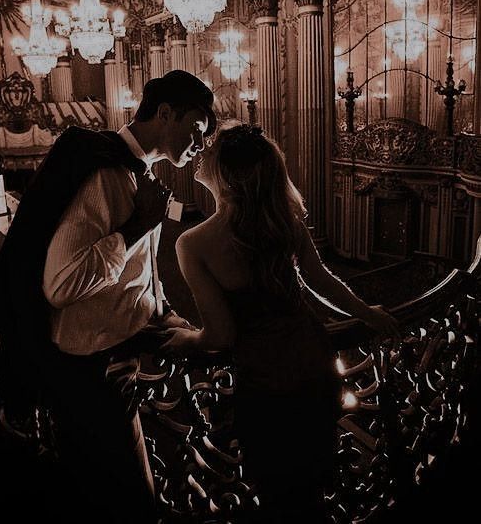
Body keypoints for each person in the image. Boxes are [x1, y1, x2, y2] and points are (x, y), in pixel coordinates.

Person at [0, 69, 216, 523]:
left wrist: (165, 315)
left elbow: (139, 273)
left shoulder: (136, 172)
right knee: (127, 504)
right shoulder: (108, 173)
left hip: (117, 359)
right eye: (197, 127)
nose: (201, 142)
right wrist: (133, 228)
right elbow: (61, 283)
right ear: (165, 113)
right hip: (93, 373)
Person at [161, 122, 400, 524]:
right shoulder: (283, 221)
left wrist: (183, 339)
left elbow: (220, 334)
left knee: (277, 491)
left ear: (225, 173)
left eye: (212, 148)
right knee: (312, 482)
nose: (202, 150)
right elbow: (321, 280)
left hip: (266, 381)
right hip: (313, 362)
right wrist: (368, 312)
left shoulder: (194, 243)